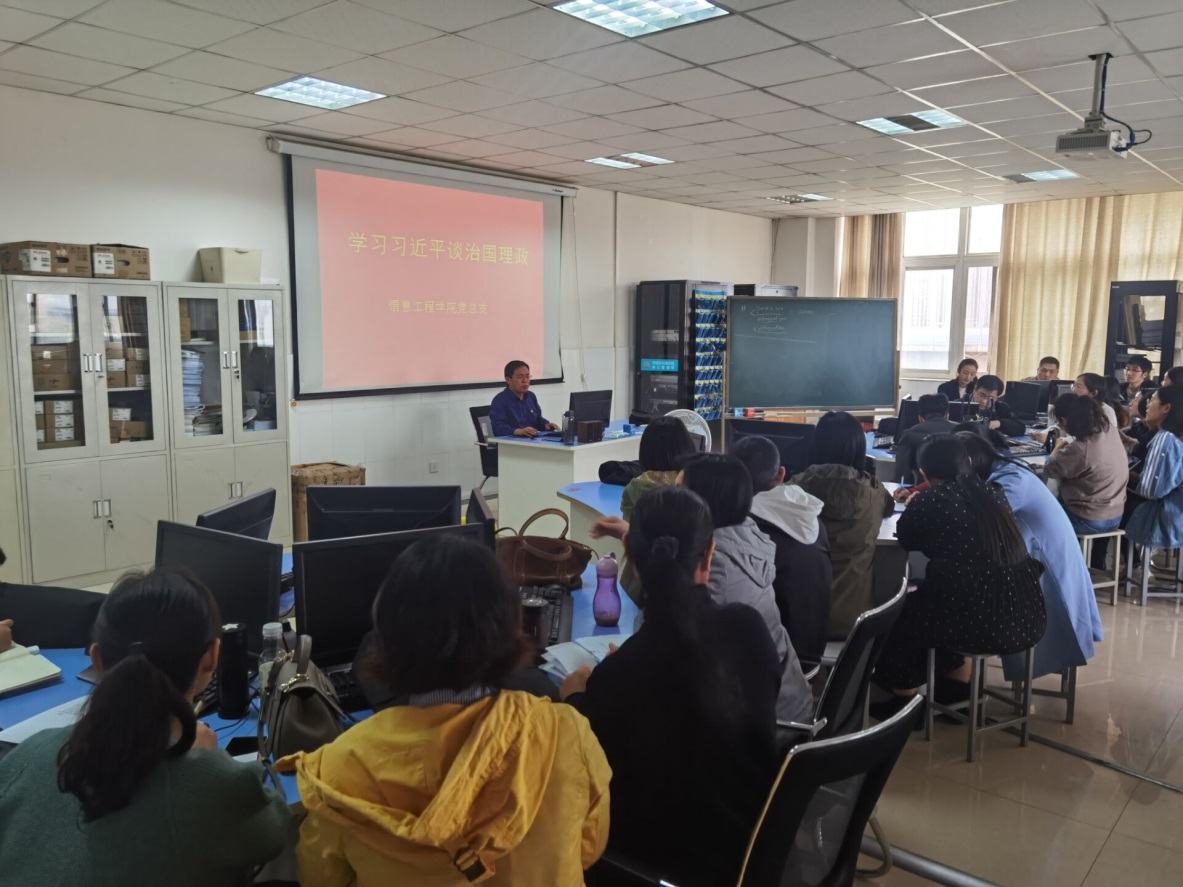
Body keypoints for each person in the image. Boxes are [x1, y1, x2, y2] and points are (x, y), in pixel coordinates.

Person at [278, 535, 610, 886]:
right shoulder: (565, 733)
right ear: (509, 627)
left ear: (385, 633)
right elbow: (587, 849)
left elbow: (320, 878)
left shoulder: (339, 769)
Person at [0, 569, 290, 885]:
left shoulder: (25, 756)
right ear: (211, 657)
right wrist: (208, 762)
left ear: (97, 660)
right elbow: (275, 831)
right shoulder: (211, 784)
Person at [564, 486, 780, 887]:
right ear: (710, 554)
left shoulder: (620, 676)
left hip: (652, 868)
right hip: (754, 852)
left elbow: (585, 763)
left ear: (629, 554)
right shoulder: (748, 629)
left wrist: (573, 698)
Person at [871, 436, 1046, 713]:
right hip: (1024, 612)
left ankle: (903, 701)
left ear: (923, 472)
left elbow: (906, 536)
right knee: (954, 595)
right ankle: (956, 691)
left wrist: (919, 506)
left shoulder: (933, 500)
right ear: (968, 462)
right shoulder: (994, 492)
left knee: (906, 611)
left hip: (974, 624)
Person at [957, 425, 1103, 682]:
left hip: (1047, 561)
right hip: (1036, 554)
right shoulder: (1005, 470)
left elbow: (980, 517)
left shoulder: (1011, 480)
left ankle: (959, 674)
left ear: (968, 461)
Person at [679, 453, 813, 723]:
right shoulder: (747, 535)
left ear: (702, 503)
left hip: (764, 726)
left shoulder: (716, 567)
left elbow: (678, 648)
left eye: (680, 494)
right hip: (789, 703)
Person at [790, 411, 894, 639]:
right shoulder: (874, 491)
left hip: (800, 620)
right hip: (855, 621)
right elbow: (888, 508)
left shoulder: (796, 488)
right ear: (859, 448)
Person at [732, 434, 832, 666]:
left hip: (773, 665)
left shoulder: (744, 528)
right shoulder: (813, 519)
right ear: (781, 475)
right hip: (811, 654)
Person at [618, 416, 699, 607]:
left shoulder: (637, 486)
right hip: (685, 581)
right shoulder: (693, 482)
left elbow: (628, 534)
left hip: (639, 583)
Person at [1043, 394, 1128, 536]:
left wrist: (1058, 447)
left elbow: (1049, 469)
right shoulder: (1109, 429)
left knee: (1039, 515)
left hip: (1087, 519)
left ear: (1065, 421)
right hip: (1116, 516)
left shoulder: (1080, 449)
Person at [1126, 387, 1183, 553]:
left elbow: (1152, 491)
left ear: (1166, 408)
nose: (1147, 405)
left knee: (1108, 508)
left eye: (1152, 400)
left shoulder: (1165, 438)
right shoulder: (1175, 436)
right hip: (1177, 510)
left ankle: (1131, 562)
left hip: (1169, 514)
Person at [895, 393, 958, 484]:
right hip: (960, 490)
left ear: (920, 418)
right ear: (947, 415)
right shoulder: (962, 430)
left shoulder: (909, 434)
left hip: (924, 489)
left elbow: (902, 474)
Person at [488, 360, 557, 438]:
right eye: (520, 377)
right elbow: (498, 428)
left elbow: (538, 419)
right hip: (513, 443)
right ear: (508, 379)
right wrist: (517, 431)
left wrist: (546, 425)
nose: (525, 380)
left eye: (527, 376)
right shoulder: (500, 400)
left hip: (532, 441)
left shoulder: (531, 396)